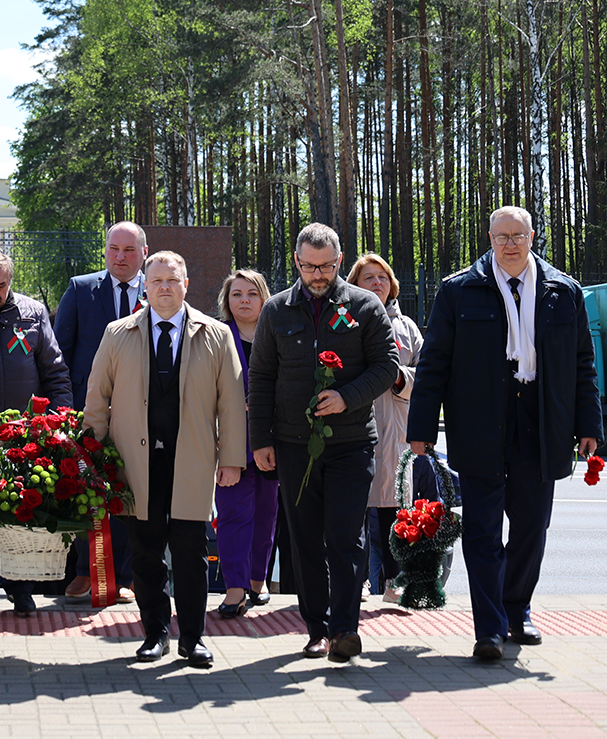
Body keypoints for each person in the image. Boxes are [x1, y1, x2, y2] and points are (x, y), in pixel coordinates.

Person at [407, 206, 602, 660]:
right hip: (480, 420)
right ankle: (489, 627)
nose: (509, 244)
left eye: (517, 235)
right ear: (489, 238)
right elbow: (434, 362)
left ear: (533, 236)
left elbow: (582, 365)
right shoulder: (459, 290)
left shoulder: (563, 291)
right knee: (482, 531)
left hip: (542, 419)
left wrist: (588, 425)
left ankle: (518, 609)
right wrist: (422, 429)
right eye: (501, 236)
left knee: (533, 527)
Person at [84, 251, 246, 667]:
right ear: (145, 286)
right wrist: (94, 458)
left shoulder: (216, 335)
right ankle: (154, 633)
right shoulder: (117, 333)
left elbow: (231, 403)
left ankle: (193, 638)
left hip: (191, 460)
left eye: (172, 280)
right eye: (155, 281)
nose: (164, 288)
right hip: (134, 465)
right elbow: (97, 399)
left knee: (191, 553)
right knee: (145, 553)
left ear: (186, 284)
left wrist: (230, 459)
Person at [247, 223, 398, 663]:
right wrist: (261, 441)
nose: (319, 275)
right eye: (311, 266)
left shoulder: (365, 305)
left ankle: (345, 630)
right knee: (306, 540)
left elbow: (386, 366)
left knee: (346, 537)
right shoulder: (276, 311)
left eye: (328, 266)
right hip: (294, 445)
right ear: (297, 262)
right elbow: (261, 378)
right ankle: (316, 628)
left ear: (338, 260)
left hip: (352, 443)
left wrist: (346, 397)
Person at [0, 251, 72, 620]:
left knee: (20, 512)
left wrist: (59, 421)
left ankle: (20, 588)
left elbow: (55, 372)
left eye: (1, 286)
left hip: (25, 435)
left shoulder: (32, 312)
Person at [54, 221, 144, 604]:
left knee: (133, 491)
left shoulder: (158, 289)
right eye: (113, 249)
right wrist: (66, 410)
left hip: (141, 412)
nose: (120, 257)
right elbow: (60, 354)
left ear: (143, 252)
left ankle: (128, 574)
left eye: (128, 250)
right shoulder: (81, 289)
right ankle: (82, 572)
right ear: (105, 250)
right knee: (86, 490)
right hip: (89, 411)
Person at [347, 253, 423, 605]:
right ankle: (356, 581)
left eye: (382, 277)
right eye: (368, 278)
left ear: (392, 284)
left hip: (395, 428)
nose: (376, 282)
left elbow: (426, 378)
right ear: (354, 284)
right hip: (354, 422)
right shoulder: (344, 322)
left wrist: (398, 378)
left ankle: (396, 581)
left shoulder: (407, 328)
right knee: (354, 508)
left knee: (395, 509)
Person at [212, 269, 279, 618]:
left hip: (272, 440)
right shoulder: (214, 336)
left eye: (252, 293)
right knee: (234, 513)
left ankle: (257, 578)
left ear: (264, 297)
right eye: (236, 294)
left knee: (267, 514)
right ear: (227, 301)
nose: (244, 300)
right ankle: (234, 589)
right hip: (232, 442)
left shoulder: (279, 332)